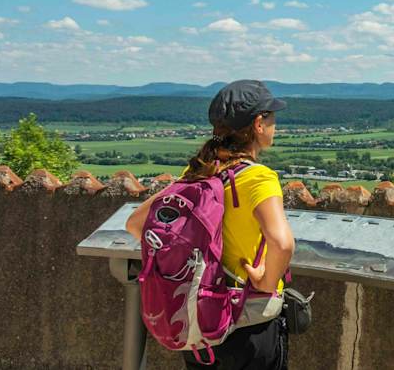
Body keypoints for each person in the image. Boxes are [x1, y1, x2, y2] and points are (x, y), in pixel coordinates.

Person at [126, 80, 295, 370]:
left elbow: (137, 223)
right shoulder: (258, 178)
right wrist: (266, 281)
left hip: (198, 321)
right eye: (271, 118)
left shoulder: (199, 171)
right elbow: (282, 243)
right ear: (258, 124)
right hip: (248, 321)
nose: (274, 125)